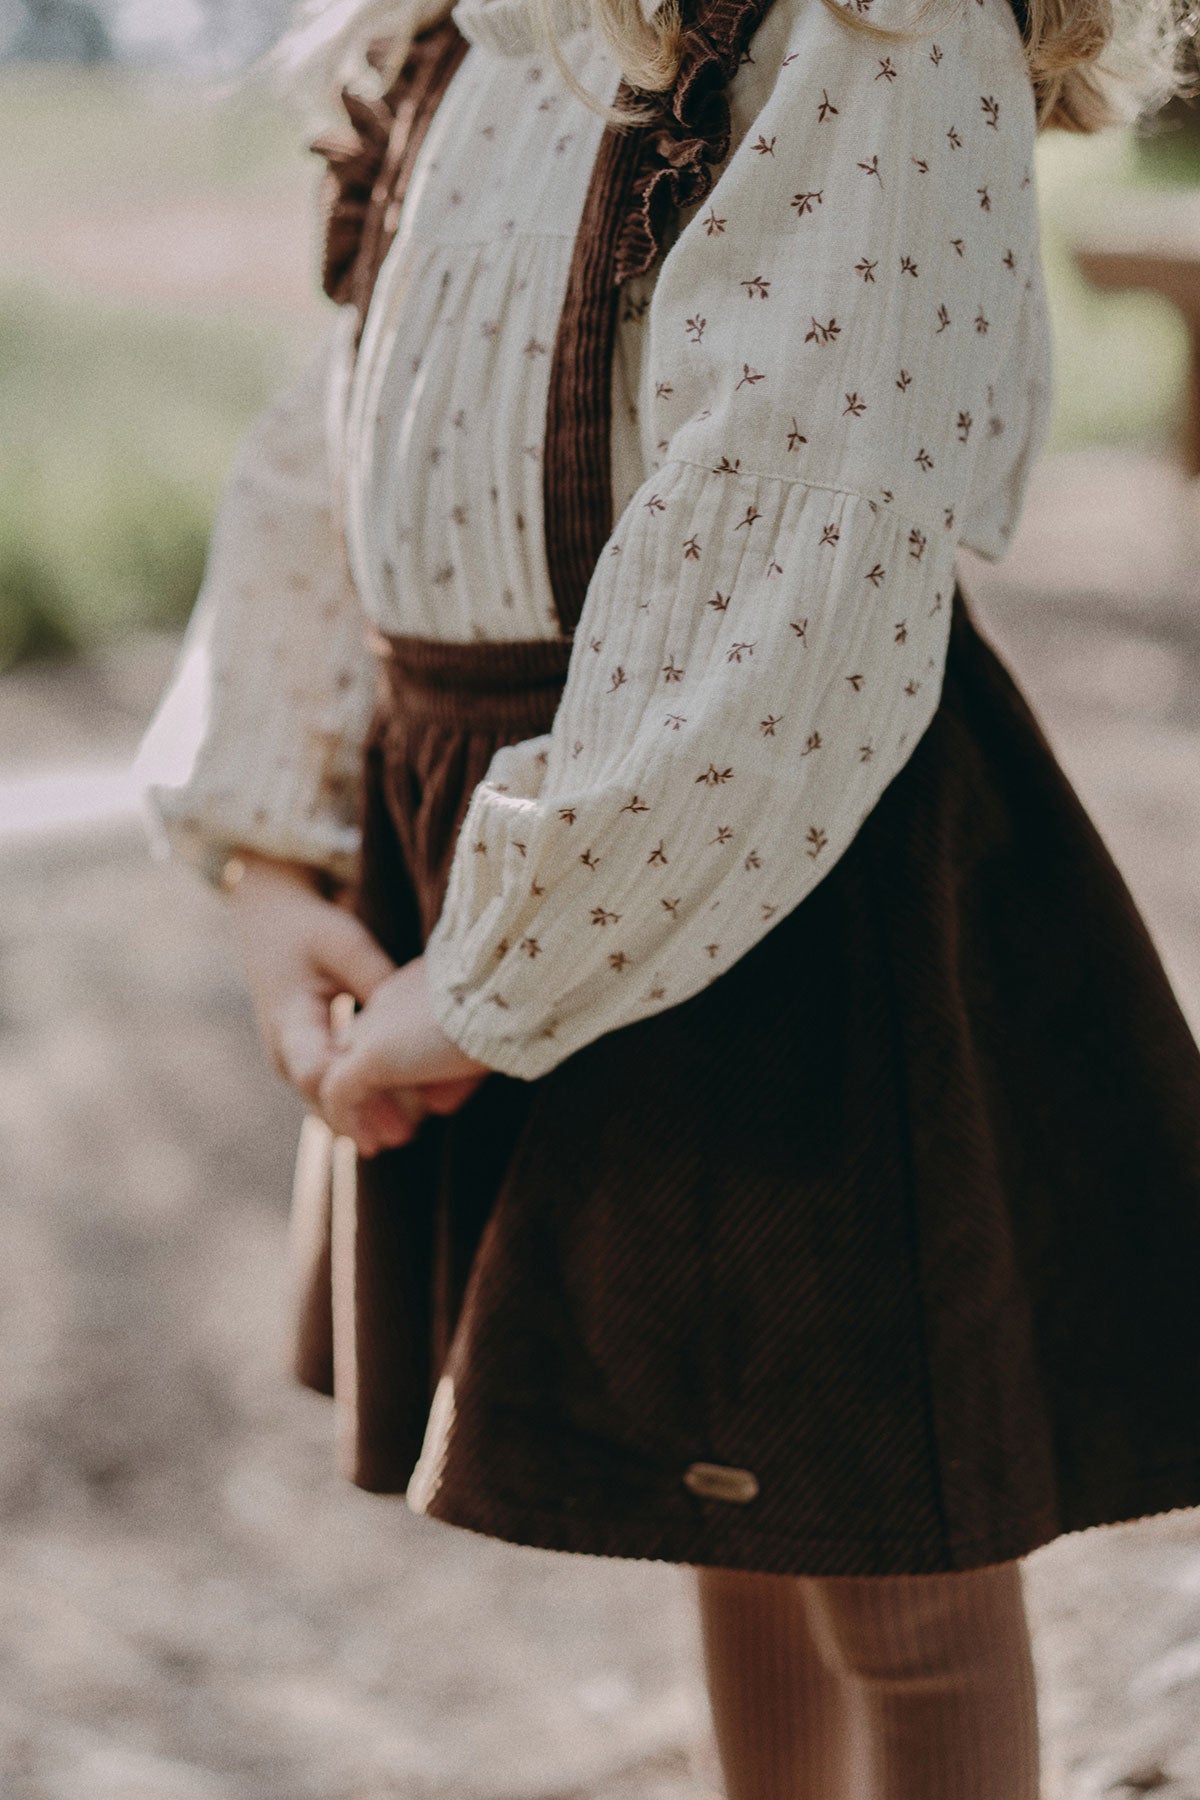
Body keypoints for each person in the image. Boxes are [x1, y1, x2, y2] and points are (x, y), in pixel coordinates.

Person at [134, 0, 1200, 1791]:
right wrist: (274, 853)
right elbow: (330, 438)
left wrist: (502, 966)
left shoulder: (869, 27)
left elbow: (804, 516)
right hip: (523, 849)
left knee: (896, 1557)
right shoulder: (464, 30)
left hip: (769, 837)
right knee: (724, 1485)